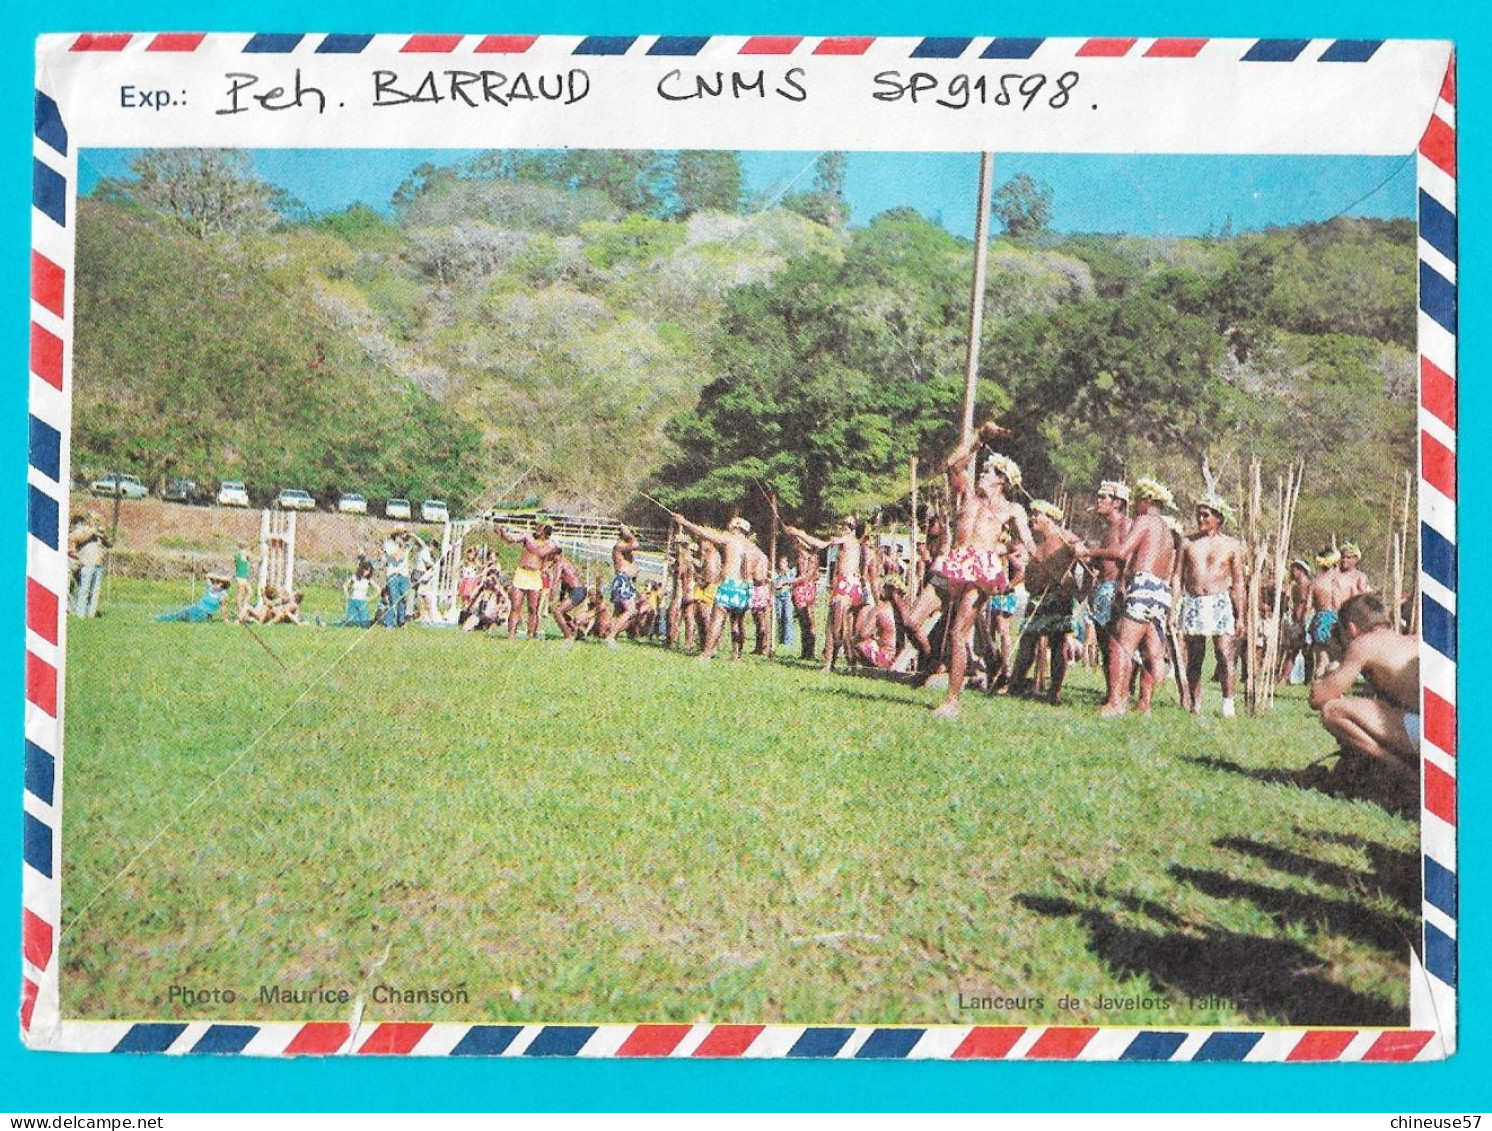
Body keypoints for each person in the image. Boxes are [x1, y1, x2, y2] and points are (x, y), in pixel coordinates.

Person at [929, 425, 1033, 718]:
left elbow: (1027, 544)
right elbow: (953, 465)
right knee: (954, 631)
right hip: (958, 562)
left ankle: (953, 700)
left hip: (982, 568)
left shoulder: (1012, 509)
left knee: (959, 631)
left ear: (1001, 480)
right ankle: (973, 675)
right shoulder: (970, 498)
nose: (981, 474)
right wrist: (979, 439)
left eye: (988, 472)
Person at [1309, 593, 1420, 807]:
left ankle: (1407, 775)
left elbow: (1318, 697)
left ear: (1351, 628)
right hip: (1443, 731)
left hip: (1422, 733)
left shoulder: (1364, 644)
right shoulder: (1410, 640)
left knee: (1333, 711)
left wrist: (1332, 659)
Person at [1082, 476, 1178, 717]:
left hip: (1143, 584)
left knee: (1121, 646)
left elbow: (1122, 551)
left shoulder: (1145, 520)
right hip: (1160, 590)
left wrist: (1089, 552)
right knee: (1148, 649)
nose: (1135, 506)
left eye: (1137, 501)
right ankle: (1144, 704)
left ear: (1146, 501)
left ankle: (1116, 703)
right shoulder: (1166, 529)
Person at [1177, 492, 1246, 718]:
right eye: (1198, 515)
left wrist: (1240, 616)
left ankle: (1228, 704)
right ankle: (1195, 704)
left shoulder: (1232, 545)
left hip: (1220, 601)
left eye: (1206, 515)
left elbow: (1238, 583)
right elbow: (1177, 577)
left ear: (1219, 518)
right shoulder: (1187, 543)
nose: (1200, 519)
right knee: (1195, 655)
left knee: (1224, 653)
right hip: (1194, 600)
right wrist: (1173, 607)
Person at [1009, 500, 1083, 704]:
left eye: (1037, 514)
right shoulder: (1037, 545)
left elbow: (1083, 554)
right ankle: (1015, 683)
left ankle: (1055, 690)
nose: (1033, 518)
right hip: (1036, 598)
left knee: (1057, 643)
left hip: (1058, 596)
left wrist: (1078, 552)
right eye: (1031, 514)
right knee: (1027, 641)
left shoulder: (1065, 537)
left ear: (1050, 519)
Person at [782, 516, 868, 674]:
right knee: (833, 627)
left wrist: (798, 533)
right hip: (844, 585)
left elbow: (820, 544)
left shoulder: (848, 540)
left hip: (846, 585)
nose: (843, 526)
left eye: (846, 524)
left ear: (853, 528)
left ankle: (849, 664)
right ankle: (830, 664)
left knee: (839, 629)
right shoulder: (850, 543)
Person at [673, 513, 756, 661]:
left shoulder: (730, 539)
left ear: (736, 528)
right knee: (737, 622)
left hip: (729, 584)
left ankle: (706, 653)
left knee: (717, 618)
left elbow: (705, 534)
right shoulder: (752, 547)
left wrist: (685, 522)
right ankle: (736, 656)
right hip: (744, 588)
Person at [1087, 481, 1132, 701]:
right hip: (1102, 589)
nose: (1098, 500)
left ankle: (1120, 695)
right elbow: (1102, 561)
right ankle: (1111, 692)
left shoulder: (1126, 525)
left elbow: (1124, 555)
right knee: (1105, 645)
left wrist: (1091, 552)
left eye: (1103, 497)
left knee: (1117, 643)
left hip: (1116, 588)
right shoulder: (1106, 529)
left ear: (1117, 503)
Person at [498, 523, 559, 640]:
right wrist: (502, 532)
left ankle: (530, 635)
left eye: (541, 527)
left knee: (533, 608)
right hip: (522, 573)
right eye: (537, 526)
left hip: (535, 576)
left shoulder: (550, 545)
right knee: (516, 606)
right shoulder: (527, 537)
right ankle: (511, 636)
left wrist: (546, 567)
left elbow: (557, 558)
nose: (537, 529)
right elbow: (510, 539)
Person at [1306, 547, 1351, 678]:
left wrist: (1306, 629)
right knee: (1338, 659)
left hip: (1321, 620)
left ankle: (1319, 691)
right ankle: (1334, 690)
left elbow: (1308, 608)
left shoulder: (1315, 583)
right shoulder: (1346, 581)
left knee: (1321, 661)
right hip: (1339, 621)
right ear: (1335, 562)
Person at [602, 524, 642, 646]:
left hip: (626, 581)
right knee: (630, 610)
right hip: (622, 580)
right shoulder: (619, 546)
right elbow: (636, 544)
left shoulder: (625, 550)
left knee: (618, 612)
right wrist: (627, 531)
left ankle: (609, 635)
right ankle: (610, 637)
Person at [787, 527, 823, 661]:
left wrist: (787, 582)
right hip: (808, 588)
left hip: (803, 589)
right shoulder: (811, 556)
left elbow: (805, 576)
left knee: (806, 621)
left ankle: (809, 652)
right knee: (806, 622)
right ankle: (807, 652)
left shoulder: (806, 556)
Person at [855, 577, 904, 670]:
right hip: (903, 658)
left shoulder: (880, 609)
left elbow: (863, 634)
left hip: (885, 658)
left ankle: (868, 669)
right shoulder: (906, 610)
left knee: (859, 642)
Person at [69, 512, 110, 618]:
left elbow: (108, 543)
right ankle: (80, 614)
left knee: (95, 591)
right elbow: (77, 538)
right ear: (89, 520)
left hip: (98, 564)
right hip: (87, 563)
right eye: (94, 519)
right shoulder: (83, 529)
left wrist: (103, 535)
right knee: (84, 589)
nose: (95, 521)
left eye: (97, 519)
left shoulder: (99, 531)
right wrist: (92, 531)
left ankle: (91, 614)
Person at [158, 574, 231, 622]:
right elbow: (207, 575)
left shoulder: (222, 594)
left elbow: (223, 608)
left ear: (222, 586)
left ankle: (159, 619)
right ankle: (160, 618)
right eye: (215, 581)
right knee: (180, 613)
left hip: (204, 615)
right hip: (196, 607)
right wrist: (219, 577)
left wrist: (226, 620)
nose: (215, 583)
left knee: (183, 616)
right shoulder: (210, 588)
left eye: (218, 582)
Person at [550, 550, 588, 642]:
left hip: (577, 591)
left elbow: (556, 580)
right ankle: (577, 632)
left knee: (557, 612)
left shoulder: (560, 563)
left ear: (557, 555)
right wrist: (561, 598)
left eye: (551, 556)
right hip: (580, 590)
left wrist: (551, 594)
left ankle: (568, 636)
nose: (550, 558)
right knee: (561, 611)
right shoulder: (567, 563)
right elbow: (565, 583)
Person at [382, 530, 412, 628]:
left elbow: (422, 545)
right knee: (393, 599)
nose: (403, 536)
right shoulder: (389, 544)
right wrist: (402, 546)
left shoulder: (406, 544)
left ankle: (401, 621)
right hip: (393, 574)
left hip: (404, 575)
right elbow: (396, 558)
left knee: (403, 598)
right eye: (401, 534)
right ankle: (389, 622)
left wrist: (412, 536)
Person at [338, 560, 376, 627]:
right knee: (350, 623)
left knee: (364, 624)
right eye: (366, 570)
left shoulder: (368, 580)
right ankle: (327, 624)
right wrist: (347, 595)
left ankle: (372, 622)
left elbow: (378, 589)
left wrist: (370, 598)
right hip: (353, 601)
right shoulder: (354, 577)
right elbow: (345, 585)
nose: (367, 572)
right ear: (362, 569)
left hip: (362, 602)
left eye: (369, 571)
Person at [773, 555, 797, 649]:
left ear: (787, 563)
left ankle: (788, 640)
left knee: (788, 617)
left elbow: (792, 583)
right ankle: (781, 638)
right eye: (780, 562)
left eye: (783, 562)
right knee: (779, 617)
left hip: (787, 596)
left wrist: (785, 585)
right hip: (778, 596)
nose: (781, 564)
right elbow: (774, 583)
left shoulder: (791, 573)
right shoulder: (778, 574)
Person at [234, 543, 254, 619]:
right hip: (241, 577)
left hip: (241, 576)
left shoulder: (237, 555)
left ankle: (243, 606)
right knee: (241, 593)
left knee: (249, 592)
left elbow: (243, 564)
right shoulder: (244, 554)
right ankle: (240, 609)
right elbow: (253, 558)